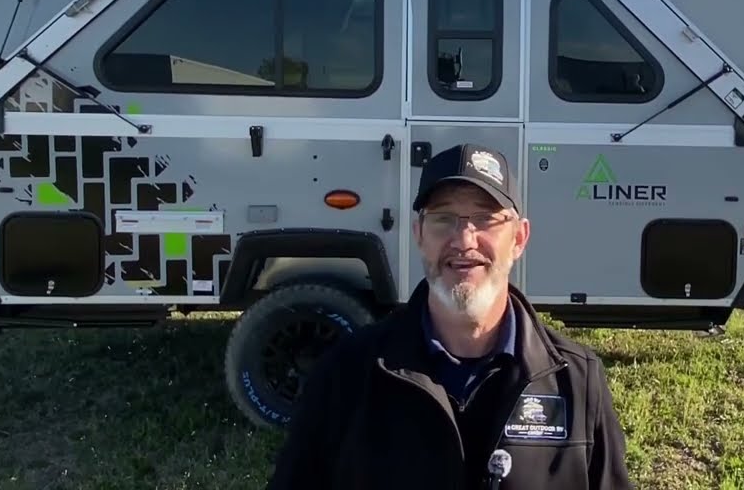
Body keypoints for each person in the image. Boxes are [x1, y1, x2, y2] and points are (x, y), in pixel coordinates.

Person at [266, 143, 633, 489]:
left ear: (519, 239)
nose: (464, 240)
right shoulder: (347, 373)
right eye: (443, 218)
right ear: (419, 235)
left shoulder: (576, 380)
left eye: (487, 219)